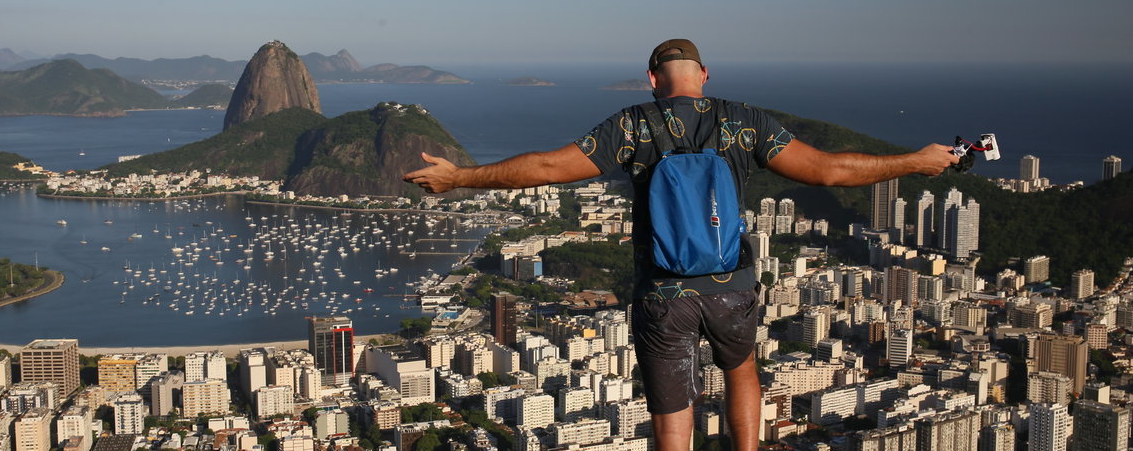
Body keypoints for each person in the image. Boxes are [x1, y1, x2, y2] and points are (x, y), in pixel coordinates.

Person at [403, 39, 958, 451]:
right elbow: (829, 170)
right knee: (742, 371)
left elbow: (546, 166)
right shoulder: (742, 123)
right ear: (704, 74)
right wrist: (917, 160)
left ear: (652, 79)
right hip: (731, 287)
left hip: (662, 295)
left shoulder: (632, 126)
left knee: (673, 413)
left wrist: (460, 178)